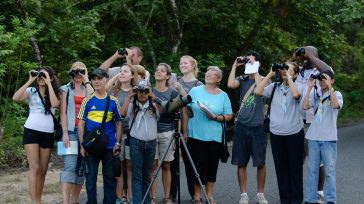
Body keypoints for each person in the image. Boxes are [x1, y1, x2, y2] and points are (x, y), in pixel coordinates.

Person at [255, 62, 305, 204]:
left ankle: (296, 199)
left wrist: (289, 78)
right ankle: (285, 199)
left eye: (288, 69)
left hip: (294, 132)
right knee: (281, 168)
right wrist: (271, 73)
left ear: (295, 73)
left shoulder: (299, 86)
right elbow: (258, 92)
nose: (284, 71)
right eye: (283, 69)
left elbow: (295, 95)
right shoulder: (275, 87)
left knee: (295, 167)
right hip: (276, 133)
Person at [183, 66, 233, 204]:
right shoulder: (195, 90)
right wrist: (185, 130)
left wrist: (217, 118)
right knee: (198, 166)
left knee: (212, 166)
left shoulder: (223, 95)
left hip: (214, 136)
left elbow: (229, 115)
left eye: (212, 74)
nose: (208, 75)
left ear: (219, 79)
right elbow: (186, 110)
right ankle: (197, 196)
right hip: (195, 134)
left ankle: (209, 195)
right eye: (207, 73)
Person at [12, 66, 60, 204]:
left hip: (48, 133)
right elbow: (15, 98)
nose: (41, 78)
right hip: (31, 131)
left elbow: (56, 104)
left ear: (50, 78)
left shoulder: (56, 92)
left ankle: (38, 198)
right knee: (35, 168)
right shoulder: (31, 91)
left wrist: (49, 83)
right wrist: (30, 80)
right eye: (39, 76)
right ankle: (35, 202)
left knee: (43, 170)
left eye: (44, 76)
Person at [227, 51, 268, 204]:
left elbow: (260, 89)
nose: (249, 63)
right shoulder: (242, 79)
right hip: (242, 125)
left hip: (258, 126)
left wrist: (254, 69)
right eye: (248, 61)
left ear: (259, 63)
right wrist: (235, 66)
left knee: (260, 162)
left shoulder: (264, 80)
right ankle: (243, 194)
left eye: (253, 61)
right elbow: (231, 84)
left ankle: (260, 193)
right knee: (241, 161)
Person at [292, 46, 332, 203]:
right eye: (304, 55)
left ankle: (320, 192)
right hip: (295, 121)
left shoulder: (321, 71)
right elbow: (280, 71)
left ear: (316, 56)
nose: (305, 57)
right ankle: (298, 193)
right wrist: (294, 56)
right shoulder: (298, 70)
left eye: (308, 55)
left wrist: (311, 55)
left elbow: (327, 69)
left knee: (317, 161)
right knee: (296, 161)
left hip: (313, 122)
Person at [77, 68, 122, 204]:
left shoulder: (113, 101)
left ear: (106, 80)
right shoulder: (87, 101)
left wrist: (117, 143)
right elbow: (81, 125)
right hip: (91, 146)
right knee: (90, 179)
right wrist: (82, 145)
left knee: (109, 178)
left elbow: (119, 123)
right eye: (94, 79)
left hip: (109, 146)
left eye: (99, 78)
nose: (96, 82)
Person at [303, 69, 343, 204]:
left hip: (329, 138)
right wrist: (309, 87)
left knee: (329, 171)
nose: (321, 81)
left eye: (325, 78)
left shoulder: (336, 94)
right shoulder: (316, 95)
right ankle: (310, 199)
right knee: (312, 170)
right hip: (313, 137)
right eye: (320, 79)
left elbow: (336, 105)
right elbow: (305, 106)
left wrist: (329, 87)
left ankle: (330, 200)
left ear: (332, 80)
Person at [120, 80, 162, 204]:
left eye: (145, 91)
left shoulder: (154, 106)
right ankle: (137, 201)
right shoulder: (133, 105)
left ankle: (146, 201)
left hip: (151, 144)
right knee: (136, 175)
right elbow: (122, 114)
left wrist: (152, 96)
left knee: (147, 175)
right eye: (140, 91)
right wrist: (130, 96)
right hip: (136, 143)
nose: (142, 94)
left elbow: (164, 111)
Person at [170, 55, 203, 202]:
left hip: (195, 128)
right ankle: (171, 195)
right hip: (176, 127)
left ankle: (195, 194)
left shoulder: (199, 84)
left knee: (193, 163)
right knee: (172, 163)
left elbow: (195, 106)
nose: (182, 65)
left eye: (185, 63)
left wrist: (181, 90)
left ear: (193, 66)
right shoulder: (175, 82)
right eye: (180, 63)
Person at [59, 62, 93, 204]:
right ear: (71, 72)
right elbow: (62, 113)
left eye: (81, 71)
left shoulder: (88, 88)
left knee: (82, 167)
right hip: (71, 131)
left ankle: (74, 201)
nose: (78, 74)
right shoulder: (64, 89)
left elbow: (94, 99)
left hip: (86, 133)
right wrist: (65, 133)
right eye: (76, 71)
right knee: (69, 166)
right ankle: (65, 201)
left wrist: (87, 79)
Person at [105, 63, 138, 204]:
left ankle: (129, 196)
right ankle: (120, 196)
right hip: (116, 133)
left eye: (125, 71)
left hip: (131, 133)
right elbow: (103, 89)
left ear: (132, 75)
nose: (122, 73)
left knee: (130, 166)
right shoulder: (114, 91)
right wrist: (115, 77)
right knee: (118, 166)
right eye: (120, 71)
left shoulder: (136, 91)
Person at [150, 63, 179, 204]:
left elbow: (167, 112)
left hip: (167, 131)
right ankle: (153, 197)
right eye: (157, 70)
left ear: (168, 76)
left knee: (166, 165)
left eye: (162, 71)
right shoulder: (149, 90)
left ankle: (167, 197)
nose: (159, 72)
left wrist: (179, 134)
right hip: (150, 131)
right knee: (153, 165)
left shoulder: (173, 93)